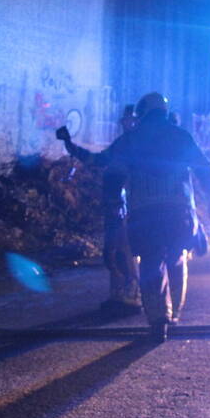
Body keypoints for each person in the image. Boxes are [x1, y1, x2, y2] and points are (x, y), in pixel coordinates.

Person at [107, 92, 210, 342]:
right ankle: (175, 313)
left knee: (150, 263)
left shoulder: (131, 140)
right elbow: (205, 169)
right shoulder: (181, 136)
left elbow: (113, 175)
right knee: (177, 259)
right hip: (180, 213)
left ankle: (158, 321)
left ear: (142, 113)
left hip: (144, 214)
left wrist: (114, 202)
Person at [57, 105, 141, 317]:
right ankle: (118, 295)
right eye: (125, 120)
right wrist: (70, 145)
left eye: (131, 120)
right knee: (113, 249)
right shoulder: (123, 144)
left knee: (126, 249)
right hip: (114, 204)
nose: (127, 123)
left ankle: (132, 295)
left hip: (126, 205)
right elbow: (98, 160)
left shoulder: (141, 146)